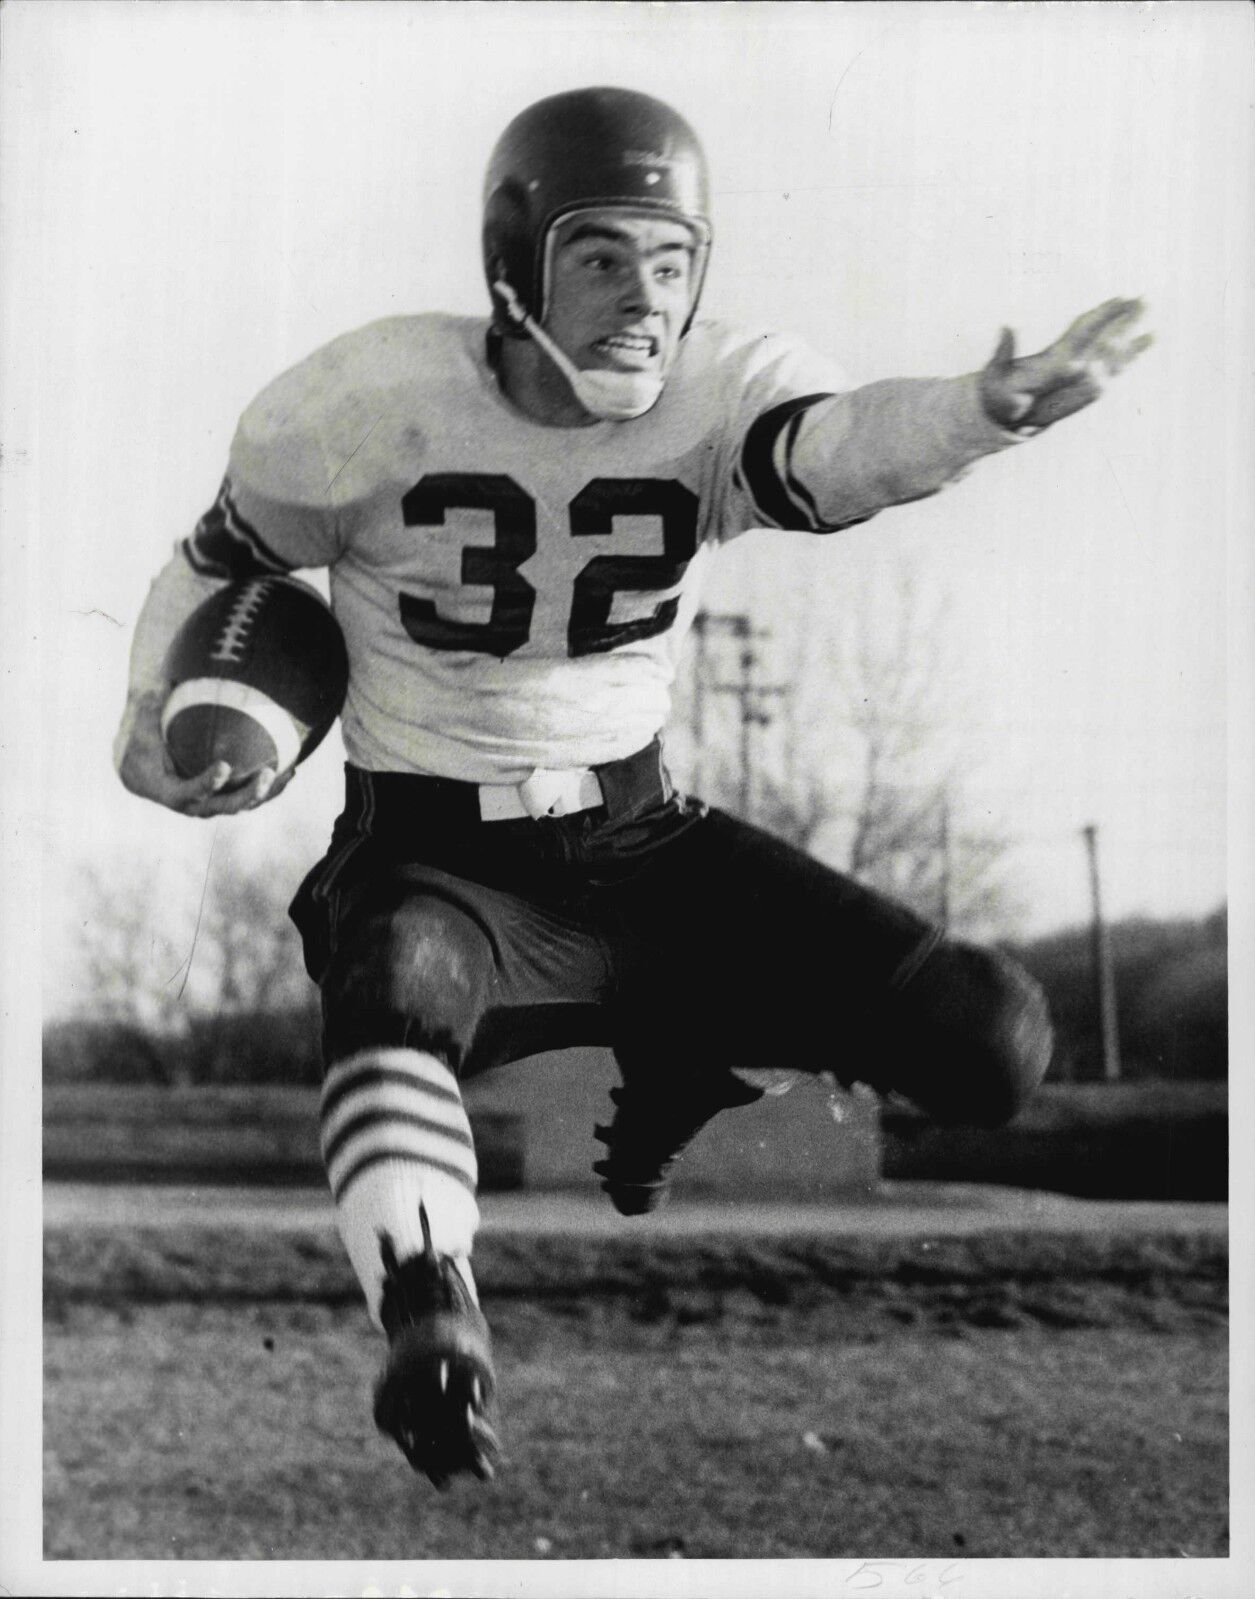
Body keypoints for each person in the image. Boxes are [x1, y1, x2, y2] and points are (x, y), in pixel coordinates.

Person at [114, 87, 1150, 1488]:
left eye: (672, 262)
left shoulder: (722, 393)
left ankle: (688, 1056)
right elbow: (221, 562)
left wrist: (977, 412)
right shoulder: (361, 404)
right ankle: (431, 1317)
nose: (642, 300)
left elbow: (833, 449)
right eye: (602, 257)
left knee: (991, 1041)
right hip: (435, 845)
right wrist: (148, 720)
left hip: (638, 832)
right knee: (400, 976)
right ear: (515, 260)